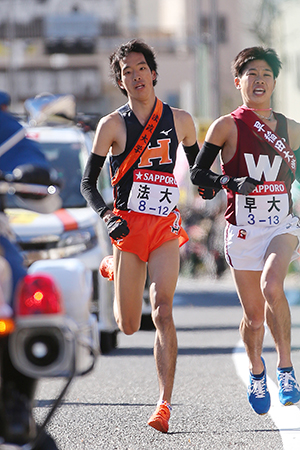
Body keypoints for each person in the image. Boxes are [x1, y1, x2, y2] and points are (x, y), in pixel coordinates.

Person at [81, 39, 199, 432]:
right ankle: (114, 265)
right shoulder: (111, 125)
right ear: (120, 81)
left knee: (162, 309)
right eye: (126, 72)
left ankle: (164, 404)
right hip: (129, 229)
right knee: (128, 325)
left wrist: (216, 183)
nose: (135, 76)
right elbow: (87, 183)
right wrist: (107, 217)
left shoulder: (180, 119)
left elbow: (198, 170)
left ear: (153, 71)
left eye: (141, 68)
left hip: (165, 226)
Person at [191, 46, 300, 416]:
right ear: (238, 82)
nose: (260, 81)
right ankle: (258, 371)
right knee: (254, 317)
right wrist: (229, 181)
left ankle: (286, 369)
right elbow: (197, 174)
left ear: (275, 83)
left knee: (273, 286)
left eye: (266, 75)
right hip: (242, 230)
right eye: (252, 74)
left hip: (282, 225)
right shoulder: (226, 125)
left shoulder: (291, 129)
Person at [0, 91, 59, 448]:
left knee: (18, 286)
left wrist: (33, 178)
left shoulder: (4, 125)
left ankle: (14, 398)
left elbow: (42, 182)